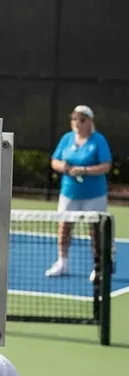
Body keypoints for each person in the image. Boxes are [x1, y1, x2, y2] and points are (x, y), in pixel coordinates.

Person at [46, 105, 114, 282]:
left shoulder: (98, 140)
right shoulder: (67, 139)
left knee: (95, 231)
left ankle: (99, 266)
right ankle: (62, 262)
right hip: (69, 193)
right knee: (64, 227)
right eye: (74, 119)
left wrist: (84, 170)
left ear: (89, 122)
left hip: (94, 195)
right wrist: (66, 168)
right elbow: (55, 161)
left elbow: (106, 166)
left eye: (82, 120)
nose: (77, 123)